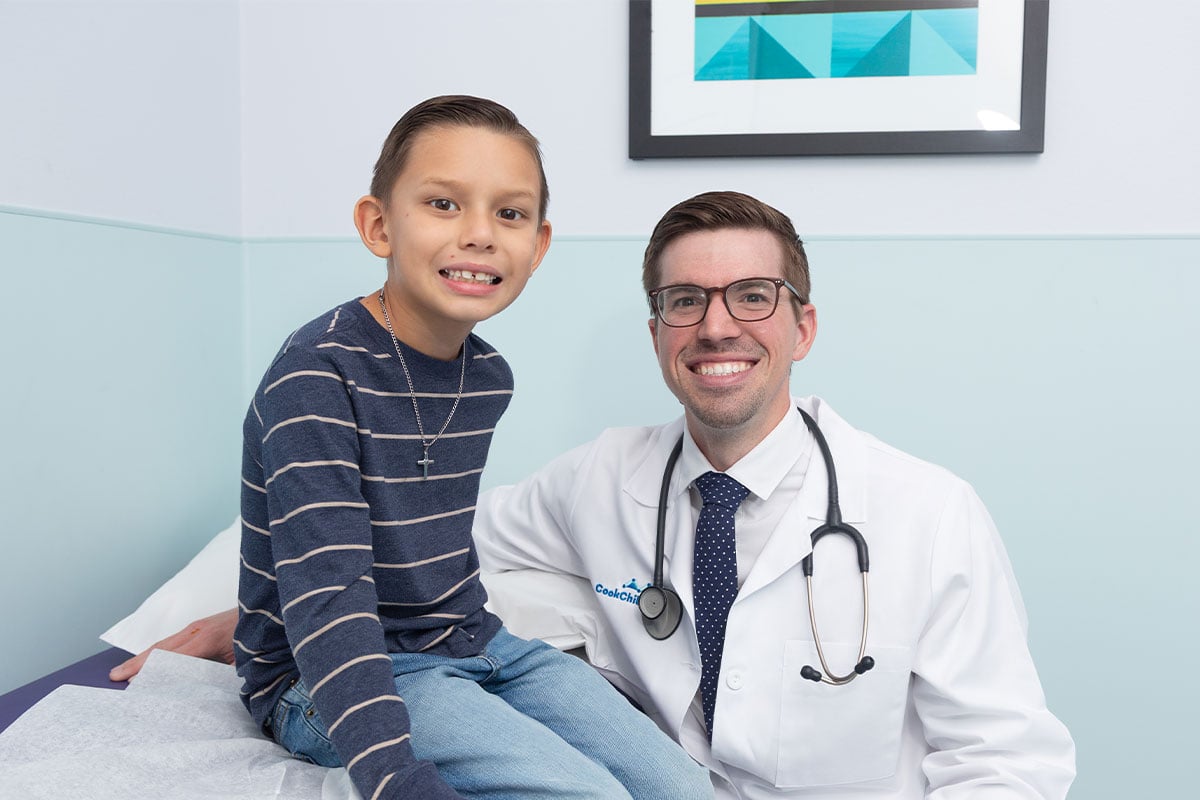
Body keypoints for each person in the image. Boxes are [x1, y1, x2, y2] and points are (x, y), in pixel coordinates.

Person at [114, 190, 1076, 798]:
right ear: (657, 332)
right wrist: (248, 614)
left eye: (752, 296)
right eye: (683, 301)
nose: (716, 325)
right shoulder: (603, 476)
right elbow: (415, 544)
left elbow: (1007, 761)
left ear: (802, 326)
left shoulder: (926, 511)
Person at [212, 95, 713, 800]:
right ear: (378, 225)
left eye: (508, 214)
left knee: (685, 789)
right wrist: (398, 781)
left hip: (476, 642)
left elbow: (426, 550)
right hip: (328, 676)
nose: (478, 234)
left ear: (538, 245)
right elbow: (330, 603)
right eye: (444, 204)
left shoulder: (486, 377)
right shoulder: (315, 377)